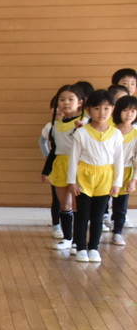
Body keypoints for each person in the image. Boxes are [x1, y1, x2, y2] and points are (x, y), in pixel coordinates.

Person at [66, 89, 122, 262]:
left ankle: (94, 248)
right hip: (84, 176)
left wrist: (117, 183)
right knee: (82, 215)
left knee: (98, 217)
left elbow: (118, 160)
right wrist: (72, 181)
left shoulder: (116, 134)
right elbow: (73, 158)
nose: (101, 112)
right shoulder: (81, 132)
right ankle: (81, 247)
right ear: (89, 109)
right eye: (97, 108)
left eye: (106, 108)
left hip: (105, 177)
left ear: (112, 109)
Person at [41, 84, 87, 250]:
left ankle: (78, 241)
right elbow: (54, 150)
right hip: (60, 165)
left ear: (80, 102)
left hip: (78, 165)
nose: (66, 103)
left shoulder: (85, 123)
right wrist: (46, 170)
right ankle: (67, 238)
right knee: (64, 205)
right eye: (62, 99)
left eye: (70, 99)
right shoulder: (55, 126)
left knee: (77, 205)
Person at [109, 95, 137, 245]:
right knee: (102, 203)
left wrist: (134, 179)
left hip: (126, 172)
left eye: (133, 111)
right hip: (107, 171)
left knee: (121, 206)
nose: (129, 114)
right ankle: (99, 228)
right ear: (118, 111)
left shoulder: (136, 134)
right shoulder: (110, 131)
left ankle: (117, 232)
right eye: (125, 110)